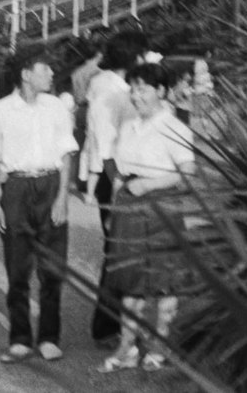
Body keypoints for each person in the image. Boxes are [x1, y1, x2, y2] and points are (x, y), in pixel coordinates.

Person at [97, 61, 197, 373]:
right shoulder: (128, 126)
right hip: (129, 205)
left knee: (165, 280)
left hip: (161, 207)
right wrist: (119, 203)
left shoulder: (175, 127)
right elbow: (121, 171)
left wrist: (149, 184)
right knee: (130, 280)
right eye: (134, 88)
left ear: (162, 92)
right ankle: (126, 348)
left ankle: (159, 346)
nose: (137, 95)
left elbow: (187, 173)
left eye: (144, 89)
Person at [0, 48, 77, 364]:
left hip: (50, 185)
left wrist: (62, 197)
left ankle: (49, 337)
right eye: (45, 69)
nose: (51, 74)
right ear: (26, 74)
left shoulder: (57, 107)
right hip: (16, 189)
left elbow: (66, 153)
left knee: (52, 267)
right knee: (17, 266)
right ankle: (20, 338)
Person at [80, 28, 147, 344]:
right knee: (120, 252)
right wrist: (119, 184)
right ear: (133, 57)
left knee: (123, 250)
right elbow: (105, 145)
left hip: (117, 176)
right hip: (117, 177)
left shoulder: (105, 83)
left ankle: (119, 324)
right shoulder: (113, 92)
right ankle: (108, 327)